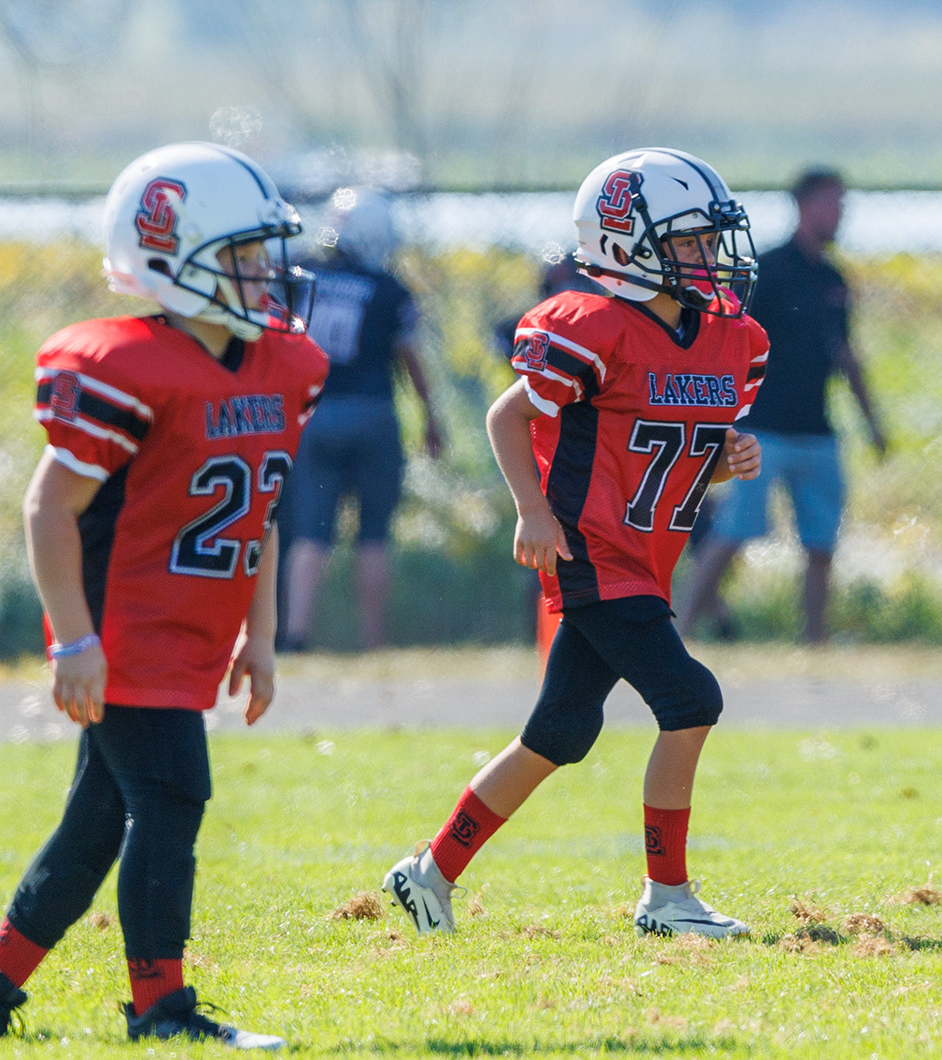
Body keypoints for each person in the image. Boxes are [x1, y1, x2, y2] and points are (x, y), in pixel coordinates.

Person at [0, 142, 315, 1049]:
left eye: (264, 253)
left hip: (191, 628)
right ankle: (160, 1009)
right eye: (244, 254)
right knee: (171, 795)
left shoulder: (281, 366)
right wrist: (73, 639)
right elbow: (49, 507)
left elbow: (259, 509)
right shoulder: (124, 365)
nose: (266, 273)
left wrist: (259, 636)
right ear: (174, 257)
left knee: (98, 822)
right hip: (124, 627)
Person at [377, 148, 770, 944]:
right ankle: (667, 897)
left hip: (645, 560)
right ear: (626, 243)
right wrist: (531, 509)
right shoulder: (592, 327)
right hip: (593, 553)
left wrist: (724, 462)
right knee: (691, 700)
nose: (709, 255)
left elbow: (671, 462)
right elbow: (507, 415)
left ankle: (429, 872)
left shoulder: (732, 340)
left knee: (560, 731)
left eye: (710, 238)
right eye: (689, 240)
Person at [683, 166, 888, 644]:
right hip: (762, 427)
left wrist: (872, 422)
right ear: (803, 205)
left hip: (817, 429)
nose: (839, 214)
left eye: (842, 205)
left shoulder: (833, 278)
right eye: (832, 204)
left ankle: (815, 640)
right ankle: (682, 627)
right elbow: (724, 344)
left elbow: (845, 354)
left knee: (821, 542)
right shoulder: (767, 270)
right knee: (732, 532)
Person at [280, 186, 449, 652]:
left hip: (314, 414)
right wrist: (431, 417)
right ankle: (373, 640)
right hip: (374, 412)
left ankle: (296, 635)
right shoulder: (389, 288)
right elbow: (409, 355)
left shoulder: (303, 276)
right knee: (374, 534)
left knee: (310, 532)